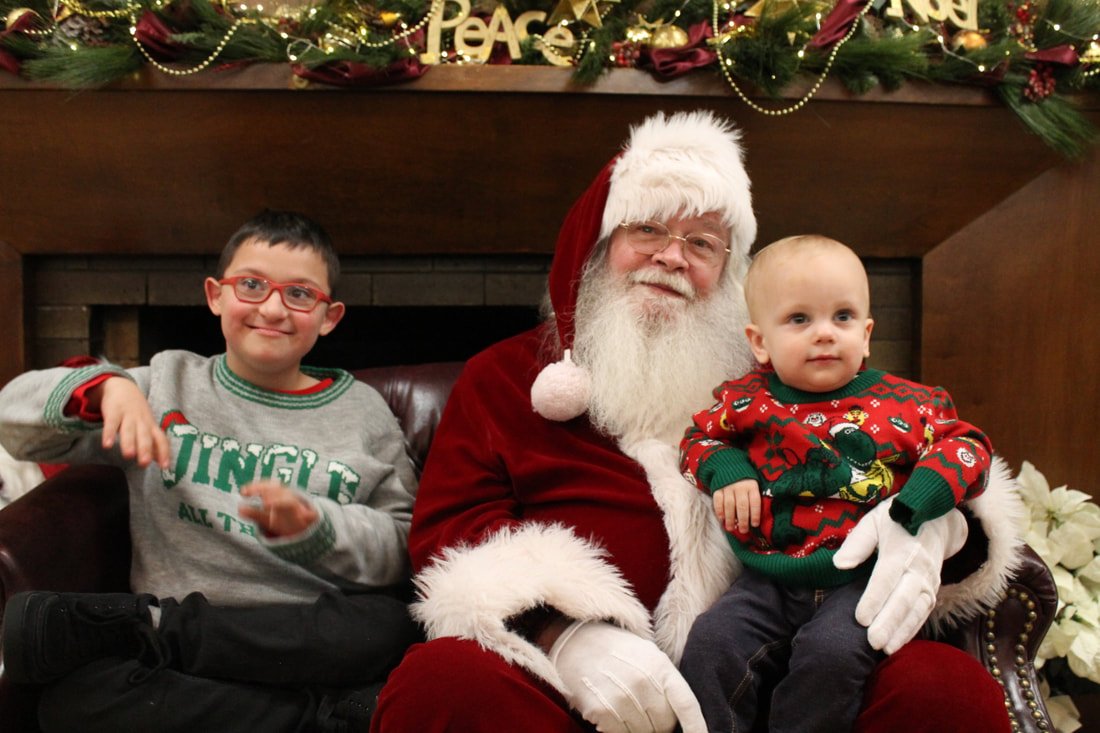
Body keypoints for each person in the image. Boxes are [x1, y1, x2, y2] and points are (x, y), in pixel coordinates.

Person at [370, 110, 1023, 733]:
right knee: (442, 680)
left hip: (783, 683)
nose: (672, 256)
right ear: (597, 247)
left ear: (729, 275)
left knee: (946, 686)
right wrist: (563, 634)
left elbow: (916, 439)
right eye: (648, 229)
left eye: (701, 242)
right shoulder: (504, 378)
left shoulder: (786, 377)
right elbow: (455, 532)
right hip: (566, 696)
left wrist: (941, 521)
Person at [0, 209, 420, 732]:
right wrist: (105, 388)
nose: (272, 308)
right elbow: (11, 420)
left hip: (309, 638)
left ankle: (155, 637)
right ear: (215, 295)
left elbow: (403, 548)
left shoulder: (364, 412)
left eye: (299, 294)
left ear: (329, 315)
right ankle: (319, 720)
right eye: (251, 285)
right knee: (72, 705)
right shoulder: (166, 383)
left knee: (390, 626)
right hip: (188, 654)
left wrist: (319, 528)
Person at [677, 234, 993, 732]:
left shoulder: (907, 403)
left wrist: (916, 501)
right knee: (711, 643)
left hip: (861, 577)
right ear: (760, 341)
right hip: (770, 578)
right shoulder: (746, 402)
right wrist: (728, 468)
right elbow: (697, 441)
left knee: (830, 656)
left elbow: (967, 446)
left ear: (866, 334)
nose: (824, 333)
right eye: (800, 319)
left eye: (842, 317)